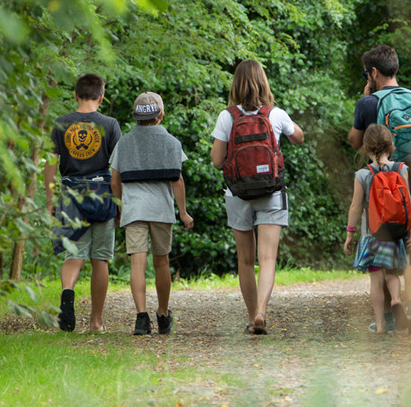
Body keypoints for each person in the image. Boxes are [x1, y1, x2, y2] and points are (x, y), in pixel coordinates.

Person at [348, 45, 411, 332]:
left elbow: (355, 141)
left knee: (385, 249)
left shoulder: (368, 104)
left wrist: (367, 100)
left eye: (368, 73)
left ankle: (389, 317)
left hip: (382, 190)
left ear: (373, 72)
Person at [210, 60, 304, 335]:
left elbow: (217, 161)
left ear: (236, 85)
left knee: (245, 260)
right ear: (264, 83)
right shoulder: (275, 114)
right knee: (268, 259)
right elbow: (299, 137)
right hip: (271, 191)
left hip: (238, 193)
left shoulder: (227, 117)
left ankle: (252, 317)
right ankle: (262, 310)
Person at [110, 92, 194, 335]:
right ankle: (163, 315)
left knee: (138, 261)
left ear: (136, 117)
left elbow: (115, 181)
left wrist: (119, 207)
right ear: (161, 115)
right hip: (161, 209)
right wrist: (183, 212)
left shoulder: (124, 143)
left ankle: (141, 317)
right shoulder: (171, 142)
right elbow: (177, 180)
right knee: (162, 262)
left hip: (134, 209)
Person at [46, 74, 121, 333]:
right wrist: (119, 202)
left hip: (70, 193)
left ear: (75, 95)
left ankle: (68, 292)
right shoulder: (110, 124)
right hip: (102, 192)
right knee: (100, 259)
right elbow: (119, 168)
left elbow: (50, 163)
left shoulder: (61, 123)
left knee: (73, 255)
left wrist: (49, 199)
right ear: (101, 97)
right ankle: (96, 322)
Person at [342, 124, 411, 334]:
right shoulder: (402, 169)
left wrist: (349, 233)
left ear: (366, 148)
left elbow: (355, 207)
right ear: (391, 145)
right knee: (392, 274)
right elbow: (408, 202)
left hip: (371, 234)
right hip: (395, 233)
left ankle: (381, 324)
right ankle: (397, 299)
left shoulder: (362, 174)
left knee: (375, 279)